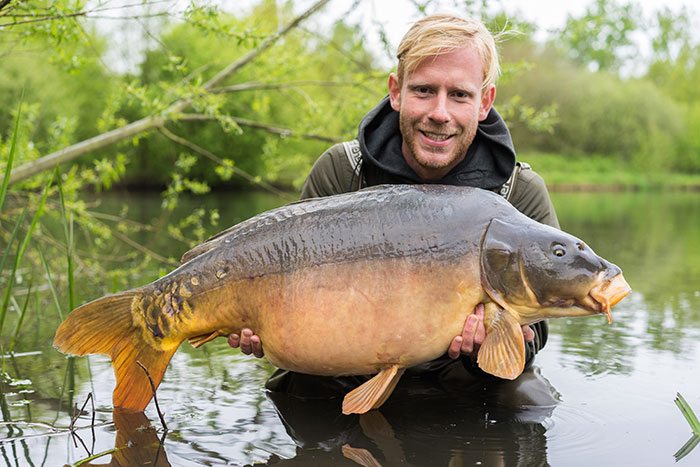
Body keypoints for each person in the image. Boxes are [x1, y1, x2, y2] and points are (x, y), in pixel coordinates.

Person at [229, 14, 559, 396]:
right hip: (349, 360)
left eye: (459, 95)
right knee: (298, 384)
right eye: (424, 90)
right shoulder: (342, 171)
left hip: (460, 377)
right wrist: (265, 322)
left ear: (484, 102)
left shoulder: (519, 192)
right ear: (396, 92)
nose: (440, 113)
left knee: (529, 396)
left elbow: (537, 330)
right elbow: (288, 279)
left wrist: (485, 346)